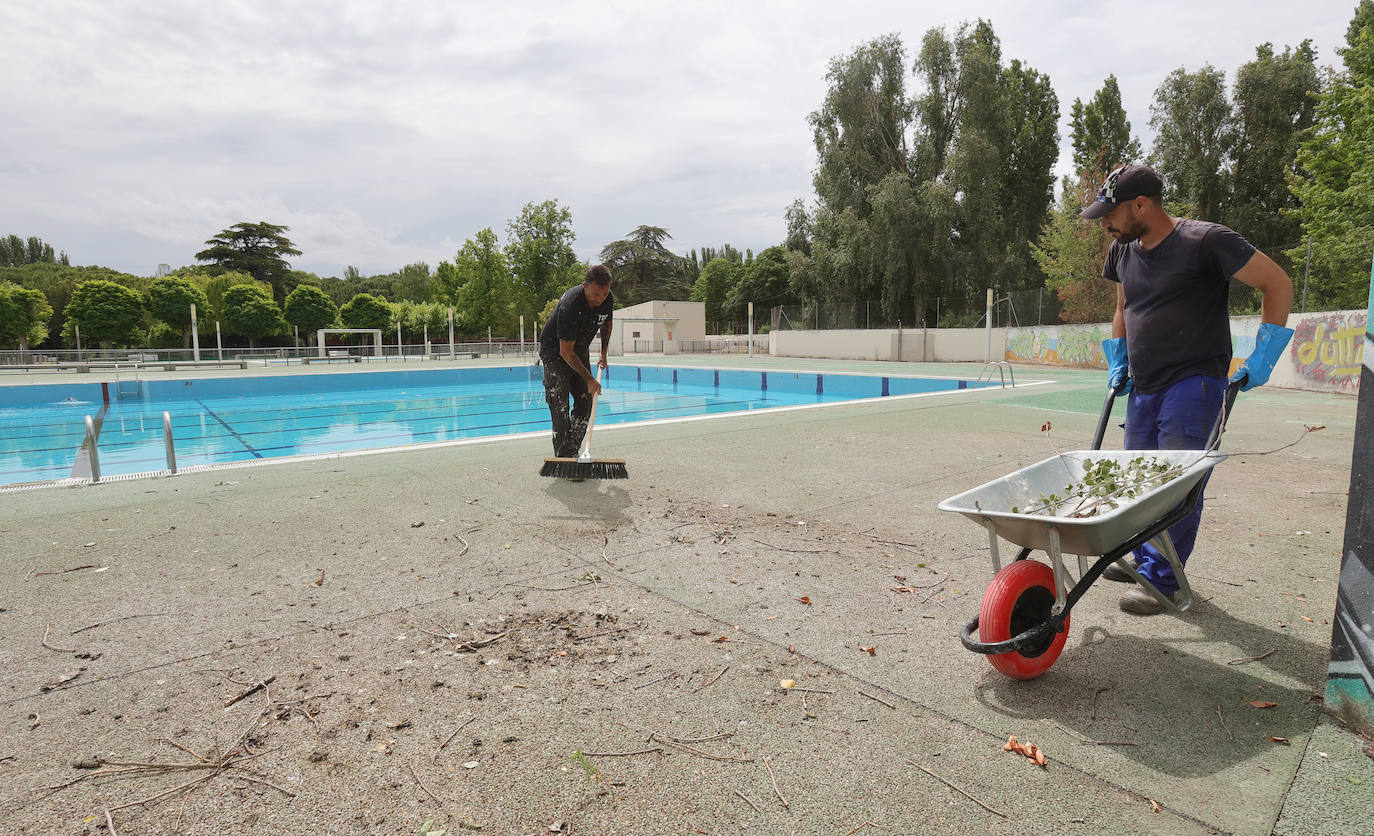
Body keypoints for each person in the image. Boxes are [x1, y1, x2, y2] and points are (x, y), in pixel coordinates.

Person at [1081, 164, 1294, 615]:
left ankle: (1164, 580)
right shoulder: (1123, 251)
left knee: (1177, 486)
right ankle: (1144, 557)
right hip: (1145, 383)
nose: (1105, 224)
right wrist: (1118, 354)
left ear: (1141, 204)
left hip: (1195, 382)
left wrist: (1264, 354)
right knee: (1138, 480)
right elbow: (1125, 305)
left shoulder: (1206, 240)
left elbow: (1276, 283)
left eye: (1110, 214)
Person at [539, 264, 614, 461]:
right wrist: (590, 379)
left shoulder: (608, 299)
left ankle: (572, 450)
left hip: (579, 351)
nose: (600, 300)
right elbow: (565, 351)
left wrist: (604, 353)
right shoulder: (570, 304)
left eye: (604, 294)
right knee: (559, 405)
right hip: (555, 354)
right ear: (585, 286)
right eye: (596, 294)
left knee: (585, 402)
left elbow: (607, 324)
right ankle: (566, 457)